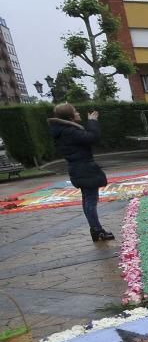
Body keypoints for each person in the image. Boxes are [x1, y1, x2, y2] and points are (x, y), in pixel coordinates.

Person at [48, 103, 114, 242]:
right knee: (90, 200)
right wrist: (92, 122)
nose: (78, 113)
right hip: (84, 168)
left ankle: (95, 229)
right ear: (70, 117)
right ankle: (97, 230)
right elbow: (92, 137)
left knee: (87, 199)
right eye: (75, 111)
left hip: (79, 168)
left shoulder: (64, 130)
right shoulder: (69, 131)